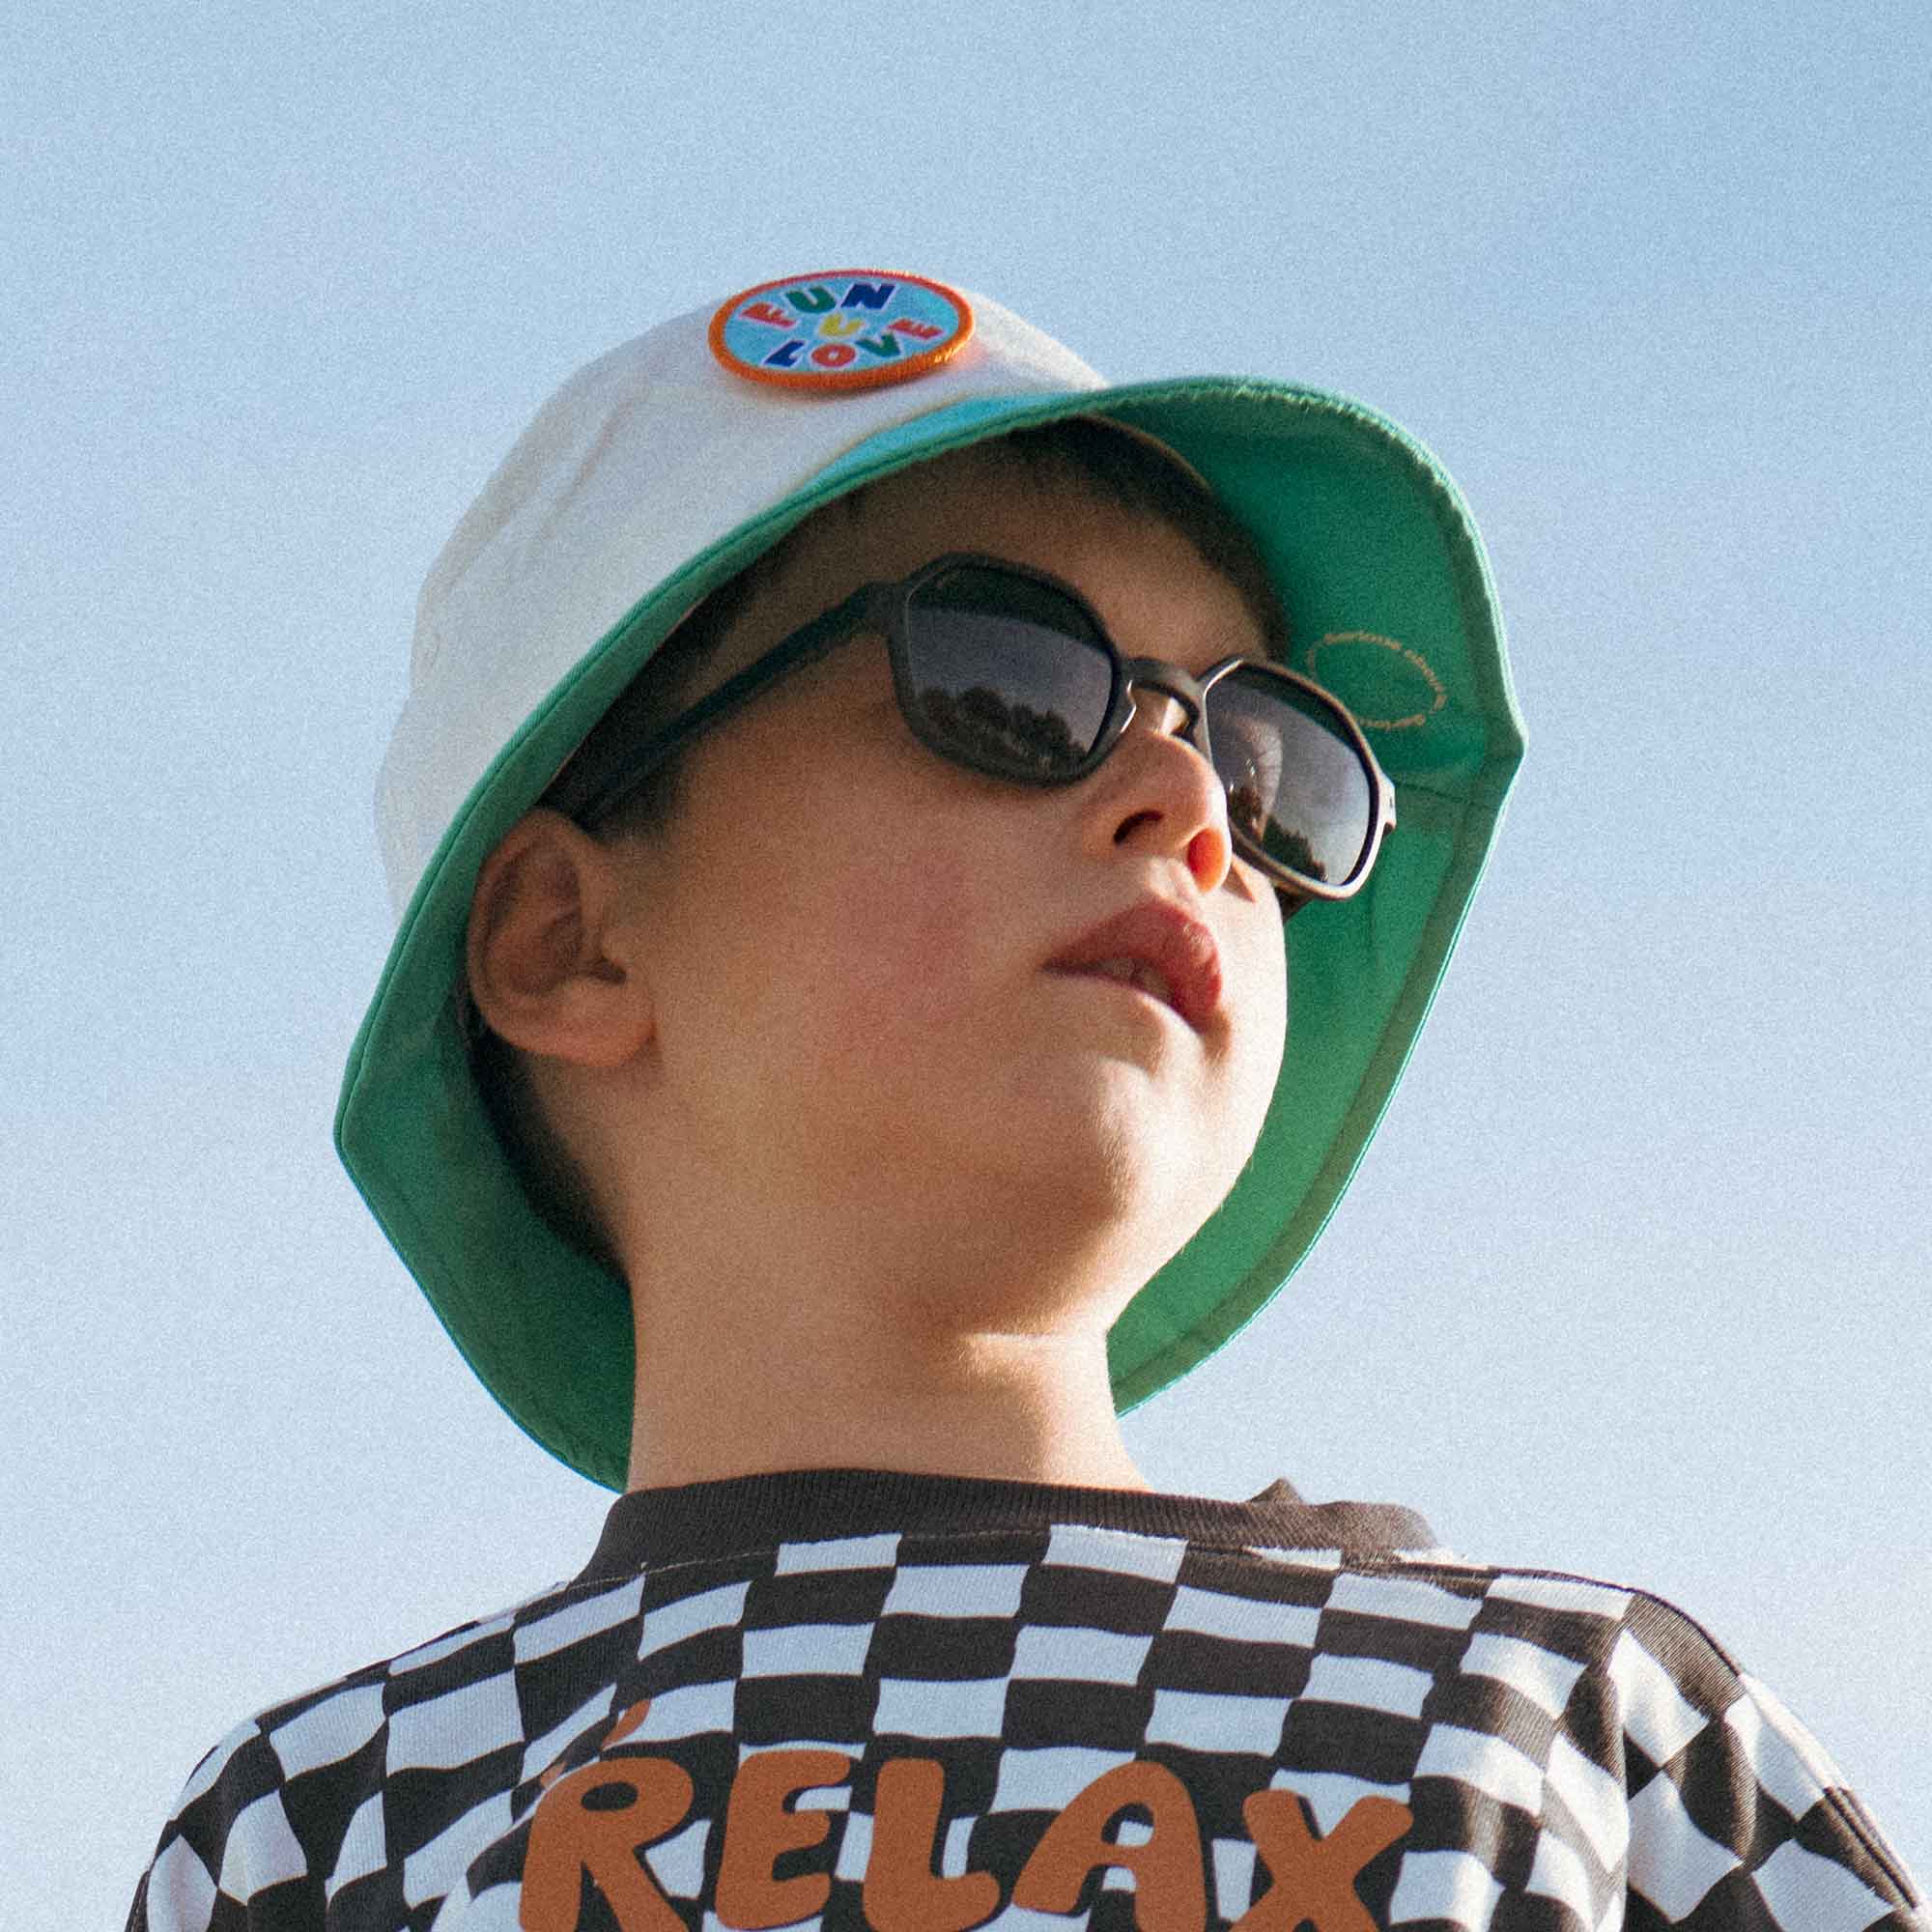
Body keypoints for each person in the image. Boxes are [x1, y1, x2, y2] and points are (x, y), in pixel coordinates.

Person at [127, 270, 1925, 1931]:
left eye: (1268, 763)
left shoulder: (1577, 1742)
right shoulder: (328, 1831)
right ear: (568, 943)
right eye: (1008, 680)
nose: (1188, 802)